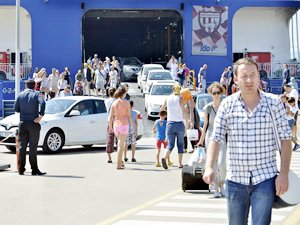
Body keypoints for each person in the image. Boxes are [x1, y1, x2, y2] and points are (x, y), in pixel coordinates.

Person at [203, 58, 292, 225]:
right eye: (244, 76)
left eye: (253, 75)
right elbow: (216, 139)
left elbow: (286, 139)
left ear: (259, 77)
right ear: (235, 79)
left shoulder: (273, 104)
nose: (249, 80)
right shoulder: (227, 105)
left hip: (265, 178)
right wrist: (209, 167)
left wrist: (284, 174)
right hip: (236, 178)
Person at [197, 82, 226, 198]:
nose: (216, 95)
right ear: (211, 94)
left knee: (222, 163)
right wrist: (201, 140)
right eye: (214, 93)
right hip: (211, 137)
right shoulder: (208, 108)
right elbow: (205, 125)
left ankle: (222, 183)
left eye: (218, 93)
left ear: (221, 93)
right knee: (213, 163)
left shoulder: (225, 106)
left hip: (223, 137)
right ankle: (216, 188)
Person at [14, 79, 46, 176]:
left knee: (22, 147)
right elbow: (43, 103)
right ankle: (34, 169)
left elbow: (16, 109)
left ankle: (21, 169)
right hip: (33, 122)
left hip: (23, 123)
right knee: (33, 148)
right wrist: (40, 116)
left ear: (25, 85)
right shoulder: (37, 94)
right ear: (34, 85)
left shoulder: (20, 95)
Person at [160, 82, 185, 169]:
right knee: (180, 145)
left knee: (170, 145)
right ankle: (180, 163)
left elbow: (162, 108)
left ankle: (164, 157)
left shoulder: (168, 98)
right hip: (179, 124)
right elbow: (183, 110)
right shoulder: (180, 98)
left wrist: (165, 114)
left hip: (170, 124)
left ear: (172, 89)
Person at [108, 86, 134, 169]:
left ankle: (120, 162)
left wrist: (110, 126)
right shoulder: (127, 103)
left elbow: (110, 117)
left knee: (120, 144)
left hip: (116, 125)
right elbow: (129, 116)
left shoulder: (114, 103)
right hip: (124, 125)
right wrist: (132, 125)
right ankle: (119, 164)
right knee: (120, 145)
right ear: (124, 93)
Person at [105, 87, 117, 163]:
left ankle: (109, 158)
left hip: (109, 120)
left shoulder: (106, 101)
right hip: (117, 120)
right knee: (119, 139)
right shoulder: (117, 101)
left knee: (109, 139)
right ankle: (120, 157)